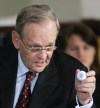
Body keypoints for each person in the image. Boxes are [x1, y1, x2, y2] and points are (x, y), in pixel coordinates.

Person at [0, 5, 96, 108]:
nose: (43, 56)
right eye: (35, 47)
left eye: (49, 46)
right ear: (16, 40)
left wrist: (84, 102)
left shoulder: (71, 73)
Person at [56, 23, 100, 107]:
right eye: (74, 48)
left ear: (95, 50)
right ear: (63, 52)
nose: (81, 54)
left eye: (86, 47)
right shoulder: (54, 82)